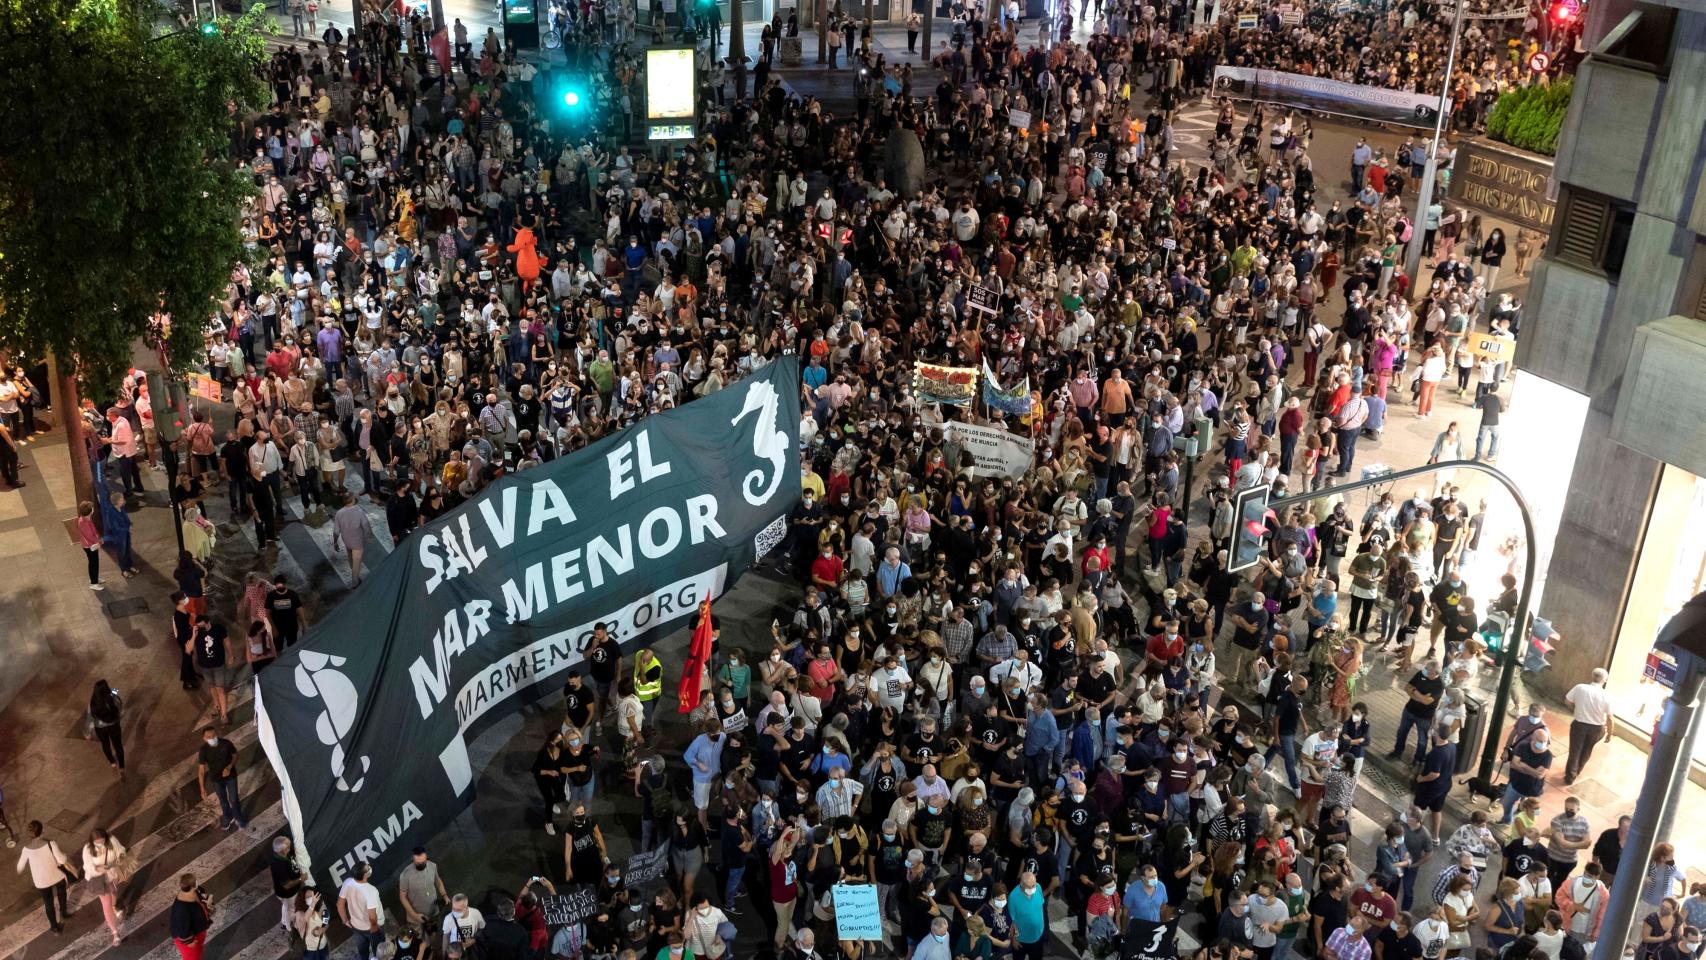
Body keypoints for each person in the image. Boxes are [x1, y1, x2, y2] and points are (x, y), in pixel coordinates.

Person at [14, 820, 77, 933]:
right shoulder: (50, 843)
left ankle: (54, 927)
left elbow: (19, 867)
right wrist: (65, 856)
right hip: (56, 875)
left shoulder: (26, 850)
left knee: (48, 902)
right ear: (42, 831)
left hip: (41, 881)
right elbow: (61, 860)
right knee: (61, 891)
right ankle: (64, 912)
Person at [1563, 668, 1611, 785]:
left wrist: (1575, 709)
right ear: (1605, 680)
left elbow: (1567, 701)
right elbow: (1610, 717)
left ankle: (1570, 776)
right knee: (1587, 750)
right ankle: (1577, 771)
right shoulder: (1606, 695)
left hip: (1579, 725)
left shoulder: (1580, 688)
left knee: (1575, 750)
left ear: (1592, 676)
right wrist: (1610, 733)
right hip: (1597, 728)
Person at [197, 724, 248, 831]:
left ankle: (238, 817)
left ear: (217, 734)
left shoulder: (226, 744)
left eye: (214, 735)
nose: (212, 738)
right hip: (216, 779)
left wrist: (229, 767)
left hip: (231, 777)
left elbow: (235, 755)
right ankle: (227, 817)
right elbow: (201, 770)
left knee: (233, 800)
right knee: (223, 801)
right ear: (204, 738)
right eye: (209, 737)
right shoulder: (203, 750)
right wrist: (202, 788)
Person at [339, 861, 385, 960]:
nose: (369, 868)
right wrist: (375, 927)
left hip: (356, 927)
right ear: (365, 875)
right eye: (368, 868)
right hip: (371, 929)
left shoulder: (348, 882)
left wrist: (345, 921)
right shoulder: (371, 891)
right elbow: (372, 917)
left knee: (362, 953)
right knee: (379, 953)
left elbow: (339, 904)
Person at [169, 873, 213, 960]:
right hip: (190, 939)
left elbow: (204, 897)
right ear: (194, 884)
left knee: (198, 953)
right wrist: (190, 942)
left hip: (198, 932)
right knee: (192, 958)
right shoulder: (181, 909)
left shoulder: (197, 890)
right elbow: (182, 930)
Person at [88, 679, 125, 773]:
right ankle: (122, 767)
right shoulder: (113, 698)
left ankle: (112, 762)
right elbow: (120, 710)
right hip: (114, 726)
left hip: (100, 728)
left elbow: (90, 718)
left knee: (105, 745)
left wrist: (88, 732)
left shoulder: (93, 702)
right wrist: (114, 691)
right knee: (118, 746)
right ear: (107, 688)